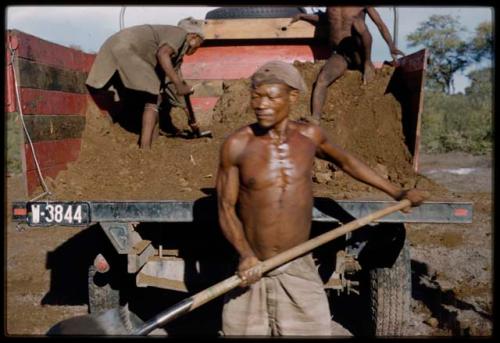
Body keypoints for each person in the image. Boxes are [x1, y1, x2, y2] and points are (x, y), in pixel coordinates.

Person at [215, 61, 427, 336]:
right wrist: (244, 255)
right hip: (251, 267)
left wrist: (396, 192)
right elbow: (225, 207)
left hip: (297, 264)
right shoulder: (237, 145)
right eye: (256, 96)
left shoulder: (308, 136)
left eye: (271, 96)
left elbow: (347, 162)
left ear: (292, 97)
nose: (261, 104)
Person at [86, 17, 205, 148]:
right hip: (124, 47)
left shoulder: (176, 53)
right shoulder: (179, 33)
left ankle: (150, 146)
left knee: (155, 96)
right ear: (194, 36)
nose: (199, 46)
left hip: (121, 47)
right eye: (201, 41)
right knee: (154, 96)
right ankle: (145, 150)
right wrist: (178, 85)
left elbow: (173, 84)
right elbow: (162, 55)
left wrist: (192, 121)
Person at [290, 7, 404, 123]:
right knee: (322, 79)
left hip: (359, 53)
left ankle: (367, 63)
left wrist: (391, 46)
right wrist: (303, 16)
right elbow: (325, 19)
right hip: (341, 54)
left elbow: (380, 25)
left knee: (357, 23)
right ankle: (315, 117)